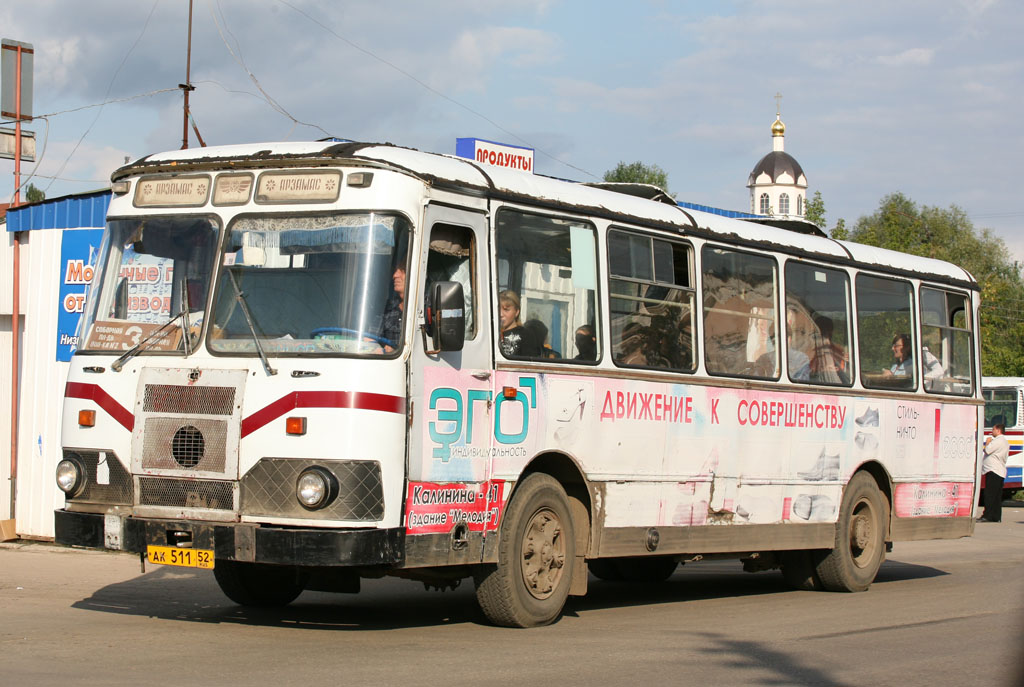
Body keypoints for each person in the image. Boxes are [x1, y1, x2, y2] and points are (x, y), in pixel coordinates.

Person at [979, 423, 1009, 522]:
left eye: (993, 429)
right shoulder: (1004, 441)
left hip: (994, 470)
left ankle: (987, 515)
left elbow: (987, 450)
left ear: (998, 430)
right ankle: (996, 516)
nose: (992, 432)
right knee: (996, 495)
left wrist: (987, 442)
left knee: (989, 495)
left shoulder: (998, 440)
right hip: (998, 470)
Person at [808, 315, 848, 384]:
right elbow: (808, 371)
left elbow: (843, 371)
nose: (826, 339)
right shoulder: (809, 350)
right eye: (824, 334)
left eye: (828, 334)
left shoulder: (839, 351)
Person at [498, 290, 539, 357]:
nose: (501, 314)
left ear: (516, 312)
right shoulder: (491, 333)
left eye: (506, 309)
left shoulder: (526, 334)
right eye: (498, 309)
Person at [378, 265, 406, 352]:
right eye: (395, 271)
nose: (395, 275)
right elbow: (371, 337)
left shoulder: (427, 308)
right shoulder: (387, 308)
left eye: (402, 270)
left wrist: (395, 350)